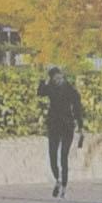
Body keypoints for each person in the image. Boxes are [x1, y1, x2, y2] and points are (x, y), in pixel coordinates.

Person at [43, 65, 83, 194]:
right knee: (52, 155)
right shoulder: (50, 88)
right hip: (54, 125)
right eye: (56, 78)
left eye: (60, 77)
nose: (59, 80)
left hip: (67, 125)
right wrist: (43, 79)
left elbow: (78, 108)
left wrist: (81, 126)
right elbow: (39, 92)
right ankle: (58, 180)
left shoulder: (70, 89)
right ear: (52, 79)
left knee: (63, 156)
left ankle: (64, 185)